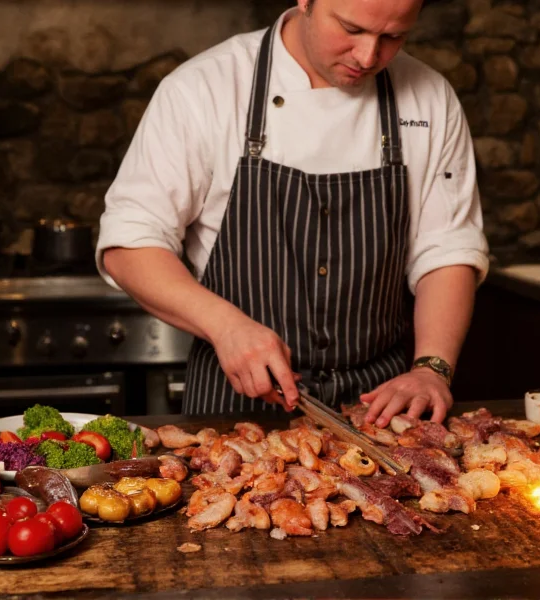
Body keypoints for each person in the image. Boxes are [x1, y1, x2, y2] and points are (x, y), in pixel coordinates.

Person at [96, 0, 489, 426]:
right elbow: (130, 245)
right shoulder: (205, 89)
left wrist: (432, 368)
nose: (368, 56)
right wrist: (224, 326)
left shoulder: (430, 98)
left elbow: (447, 248)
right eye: (351, 29)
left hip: (382, 410)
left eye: (392, 37)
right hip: (235, 409)